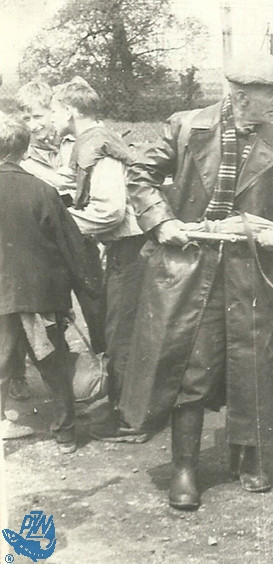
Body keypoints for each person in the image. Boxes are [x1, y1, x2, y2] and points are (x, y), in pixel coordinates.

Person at [117, 52, 273, 510]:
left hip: (254, 271)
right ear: (240, 98)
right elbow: (139, 174)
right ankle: (185, 466)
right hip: (190, 269)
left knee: (255, 364)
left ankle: (250, 453)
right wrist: (161, 221)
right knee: (192, 366)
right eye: (270, 99)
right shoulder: (186, 128)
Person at [50, 78, 146, 431]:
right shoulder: (90, 141)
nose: (51, 117)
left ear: (71, 111)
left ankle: (124, 417)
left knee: (120, 331)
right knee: (117, 326)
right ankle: (121, 407)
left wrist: (59, 222)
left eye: (55, 110)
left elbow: (109, 212)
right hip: (122, 248)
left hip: (131, 247)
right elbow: (66, 179)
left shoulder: (99, 148)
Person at [0, 115, 94, 450]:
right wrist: (79, 294)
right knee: (52, 361)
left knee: (1, 358)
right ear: (24, 152)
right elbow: (71, 246)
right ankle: (65, 432)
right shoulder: (44, 191)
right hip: (39, 296)